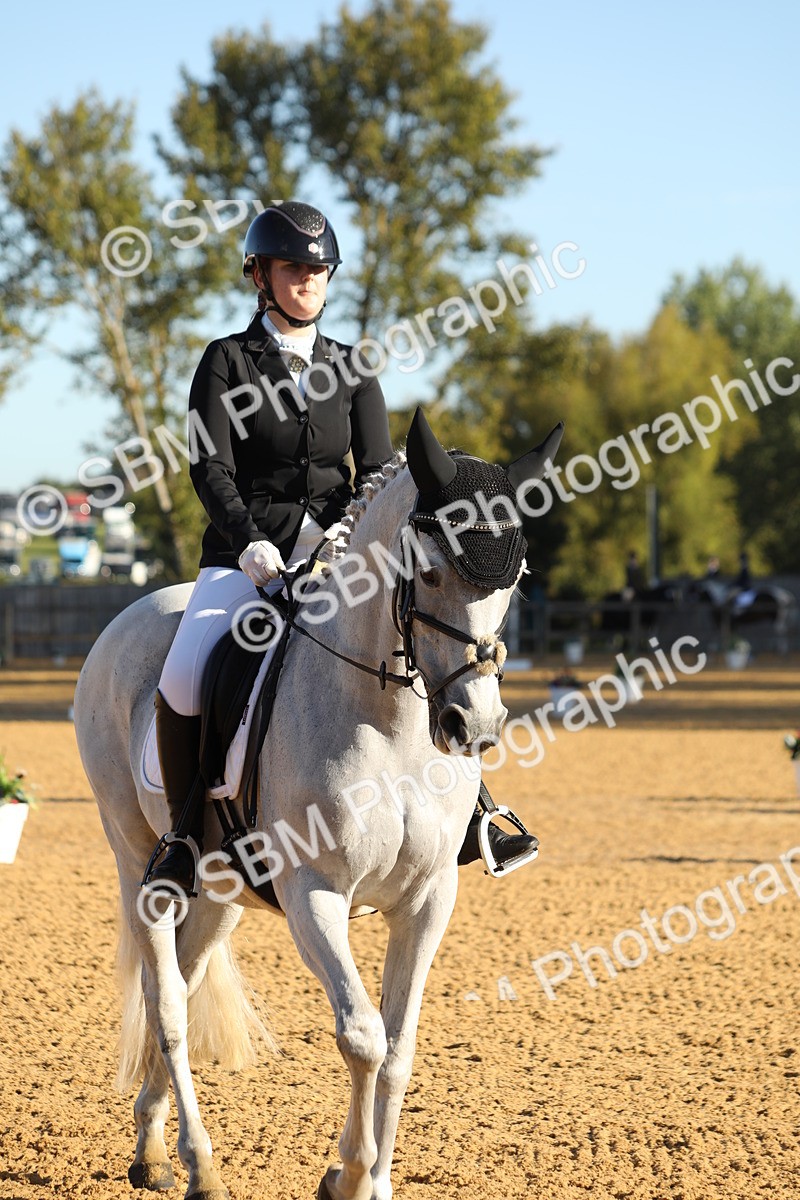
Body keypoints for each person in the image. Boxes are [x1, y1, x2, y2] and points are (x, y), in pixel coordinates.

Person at [145, 200, 535, 896]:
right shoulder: (226, 362)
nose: (308, 281)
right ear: (260, 276)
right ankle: (180, 836)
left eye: (319, 270)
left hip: (337, 557)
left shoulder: (352, 367)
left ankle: (473, 808)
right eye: (294, 269)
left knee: (418, 647)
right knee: (182, 676)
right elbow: (211, 469)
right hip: (246, 555)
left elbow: (382, 473)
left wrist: (342, 541)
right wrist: (252, 545)